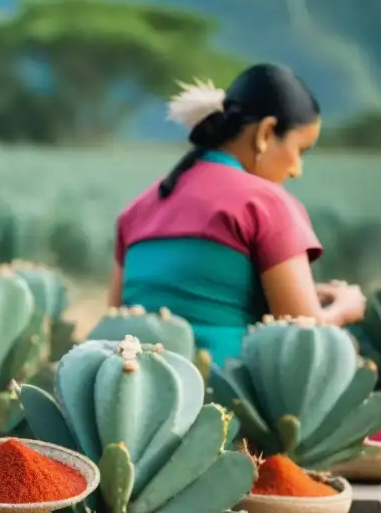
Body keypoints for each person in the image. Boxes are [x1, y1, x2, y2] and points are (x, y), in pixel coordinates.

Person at [107, 64, 367, 367]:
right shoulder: (265, 203)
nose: (297, 170)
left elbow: (116, 320)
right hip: (224, 403)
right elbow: (303, 339)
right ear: (266, 133)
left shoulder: (137, 209)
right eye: (300, 149)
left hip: (139, 396)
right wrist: (345, 309)